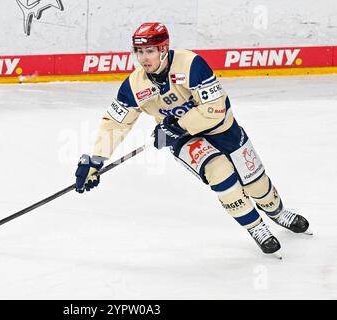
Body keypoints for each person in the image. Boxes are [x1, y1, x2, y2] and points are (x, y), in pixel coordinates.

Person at [74, 22, 312, 257]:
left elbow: (214, 109)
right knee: (219, 172)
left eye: (150, 51)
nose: (144, 58)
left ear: (163, 49)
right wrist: (95, 160)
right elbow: (116, 123)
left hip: (221, 129)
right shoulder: (134, 86)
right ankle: (256, 227)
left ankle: (278, 213)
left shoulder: (191, 64)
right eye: (139, 52)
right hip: (182, 140)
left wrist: (177, 125)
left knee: (255, 182)